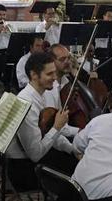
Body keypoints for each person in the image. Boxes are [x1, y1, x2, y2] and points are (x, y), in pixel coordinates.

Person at [6, 52, 77, 191]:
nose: (55, 78)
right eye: (49, 74)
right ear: (33, 75)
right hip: (25, 170)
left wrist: (73, 150)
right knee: (76, 173)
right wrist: (57, 127)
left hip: (37, 158)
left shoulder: (42, 94)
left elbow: (48, 134)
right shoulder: (27, 103)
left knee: (78, 160)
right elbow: (35, 154)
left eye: (55, 73)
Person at [44, 44, 80, 137]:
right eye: (62, 59)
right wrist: (81, 131)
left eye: (68, 58)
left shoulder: (68, 82)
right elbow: (55, 126)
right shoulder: (48, 89)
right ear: (52, 61)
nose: (67, 62)